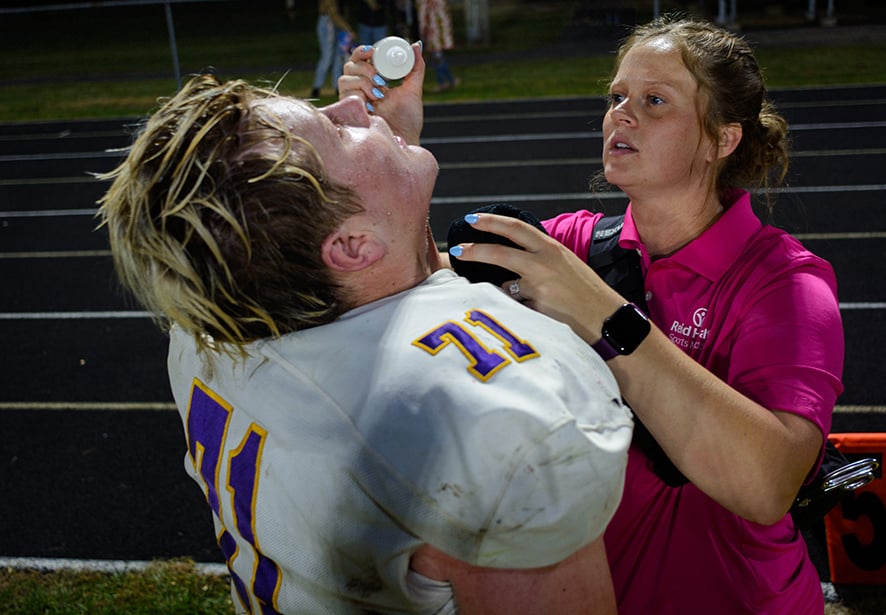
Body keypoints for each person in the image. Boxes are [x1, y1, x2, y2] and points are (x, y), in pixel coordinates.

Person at [96, 49, 632, 614]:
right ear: (353, 246)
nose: (351, 103)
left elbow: (380, 281)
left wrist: (385, 166)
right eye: (333, 129)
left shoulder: (211, 322)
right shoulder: (488, 419)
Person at [341, 14, 844, 614]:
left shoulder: (783, 282)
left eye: (655, 101)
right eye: (617, 96)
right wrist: (394, 144)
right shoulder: (575, 245)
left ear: (721, 139)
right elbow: (410, 290)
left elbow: (767, 486)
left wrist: (604, 314)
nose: (622, 115)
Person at [305, 0, 355, 99]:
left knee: (338, 57)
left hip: (336, 23)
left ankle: (336, 87)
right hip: (328, 22)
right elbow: (333, 14)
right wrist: (348, 29)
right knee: (327, 57)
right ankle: (316, 88)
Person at [415, 0, 459, 92]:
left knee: (437, 57)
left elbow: (426, 16)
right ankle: (449, 80)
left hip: (434, 32)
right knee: (437, 57)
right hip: (436, 31)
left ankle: (444, 82)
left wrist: (425, 30)